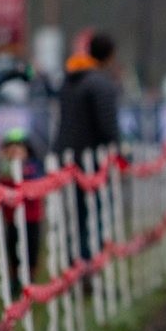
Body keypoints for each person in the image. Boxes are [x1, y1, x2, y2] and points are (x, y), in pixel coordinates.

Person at [53, 31, 122, 261]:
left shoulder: (68, 79)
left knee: (73, 214)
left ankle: (74, 261)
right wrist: (120, 150)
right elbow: (108, 126)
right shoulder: (101, 84)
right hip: (91, 158)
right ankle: (88, 263)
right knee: (94, 213)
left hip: (65, 154)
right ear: (110, 56)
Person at [0, 128, 44, 296]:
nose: (14, 151)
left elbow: (36, 183)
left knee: (31, 249)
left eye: (18, 147)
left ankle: (29, 278)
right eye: (10, 148)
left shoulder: (34, 167)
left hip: (31, 218)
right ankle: (15, 279)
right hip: (11, 220)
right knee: (12, 249)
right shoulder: (3, 169)